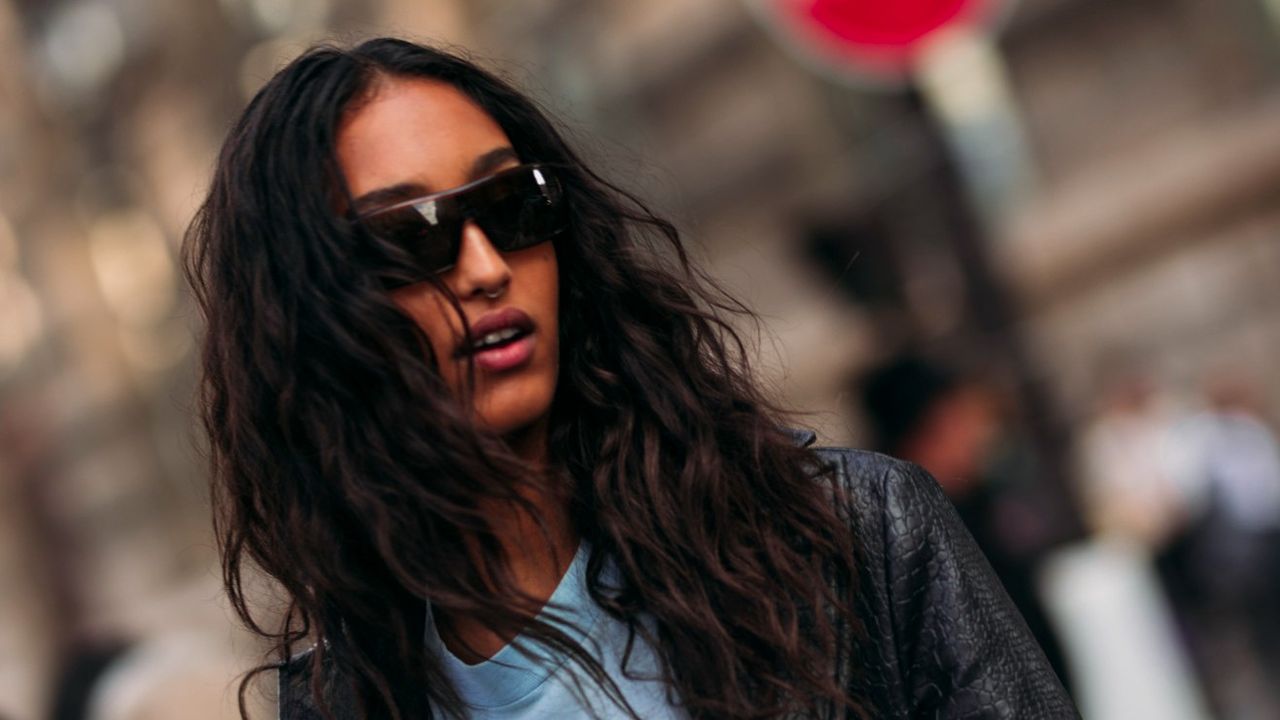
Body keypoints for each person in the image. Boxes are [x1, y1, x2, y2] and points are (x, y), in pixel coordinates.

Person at [182, 37, 1076, 719]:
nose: (487, 266)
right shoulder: (345, 703)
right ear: (307, 317)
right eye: (408, 237)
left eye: (510, 205)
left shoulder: (855, 541)